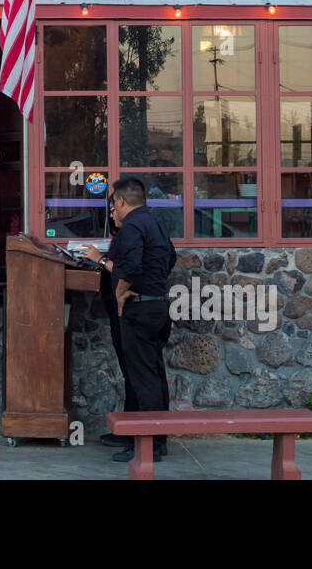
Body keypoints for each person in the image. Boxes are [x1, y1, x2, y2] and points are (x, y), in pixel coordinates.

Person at [106, 176, 176, 464]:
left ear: (121, 201)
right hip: (158, 306)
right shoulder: (154, 221)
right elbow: (170, 257)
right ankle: (155, 440)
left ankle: (149, 446)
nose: (113, 210)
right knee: (154, 374)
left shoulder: (133, 225)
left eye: (113, 204)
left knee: (143, 378)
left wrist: (121, 294)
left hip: (139, 310)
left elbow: (131, 268)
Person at [81, 204, 135, 449]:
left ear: (124, 204)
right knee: (132, 372)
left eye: (113, 210)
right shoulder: (129, 232)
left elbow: (129, 271)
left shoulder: (135, 232)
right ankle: (133, 433)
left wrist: (99, 260)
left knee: (137, 374)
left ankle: (140, 437)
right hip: (121, 308)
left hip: (131, 310)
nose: (110, 215)